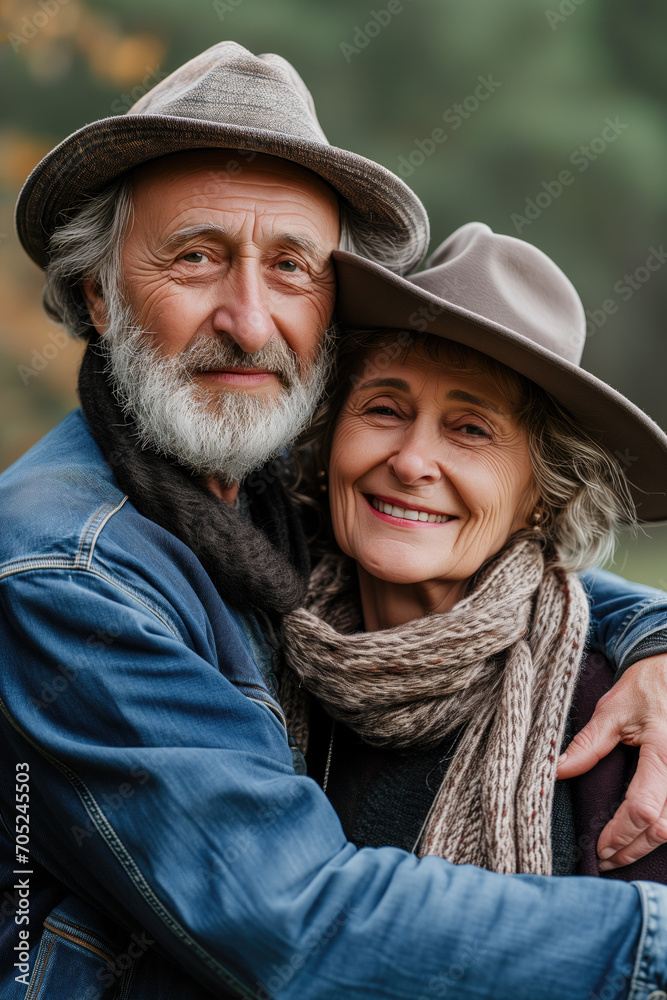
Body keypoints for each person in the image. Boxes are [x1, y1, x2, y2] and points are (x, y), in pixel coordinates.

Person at [1, 38, 667, 999]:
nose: (251, 318)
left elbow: (463, 551)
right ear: (100, 294)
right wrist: (651, 945)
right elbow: (290, 920)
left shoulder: (252, 484)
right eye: (196, 257)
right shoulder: (67, 570)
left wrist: (649, 633)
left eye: (291, 267)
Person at [280, 221, 667, 882]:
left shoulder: (616, 725)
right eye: (383, 409)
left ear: (540, 496)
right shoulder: (242, 648)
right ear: (325, 442)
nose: (410, 462)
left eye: (469, 428)